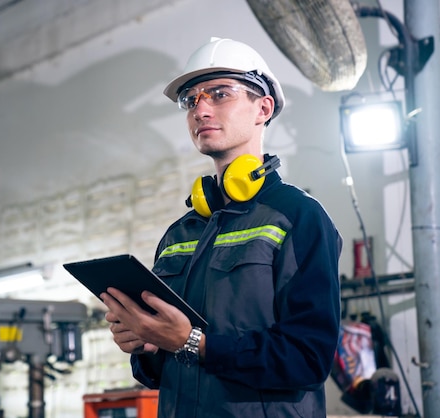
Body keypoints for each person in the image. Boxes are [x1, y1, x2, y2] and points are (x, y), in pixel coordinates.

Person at [100, 37, 342, 417]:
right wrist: (145, 344)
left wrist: (194, 342)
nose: (201, 109)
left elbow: (308, 359)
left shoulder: (299, 216)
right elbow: (156, 373)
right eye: (190, 100)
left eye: (219, 94)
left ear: (263, 108)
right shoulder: (181, 232)